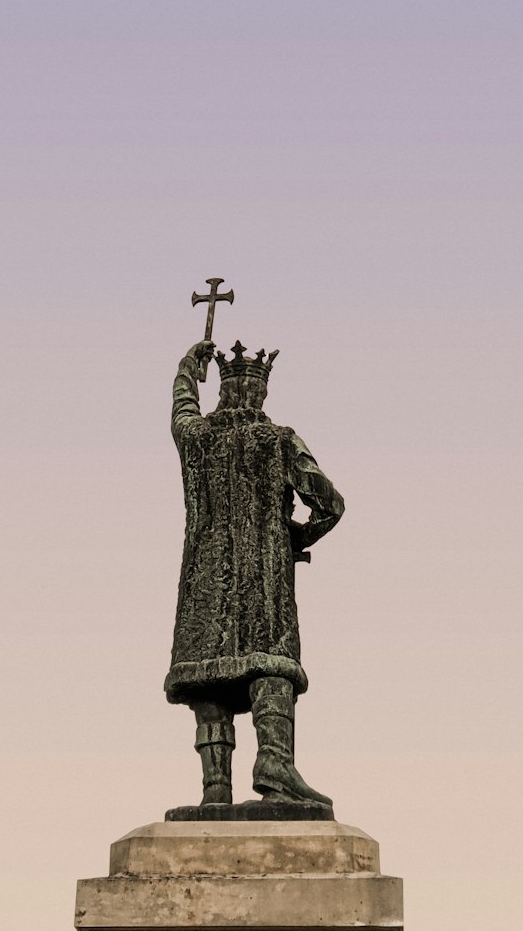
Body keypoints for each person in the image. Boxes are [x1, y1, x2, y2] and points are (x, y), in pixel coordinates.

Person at [166, 338, 345, 807]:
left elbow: (181, 410)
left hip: (204, 585)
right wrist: (293, 540)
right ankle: (275, 763)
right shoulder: (280, 441)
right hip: (264, 584)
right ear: (260, 394)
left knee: (209, 676)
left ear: (223, 391)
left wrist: (189, 367)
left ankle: (214, 787)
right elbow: (329, 504)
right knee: (270, 663)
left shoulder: (198, 439)